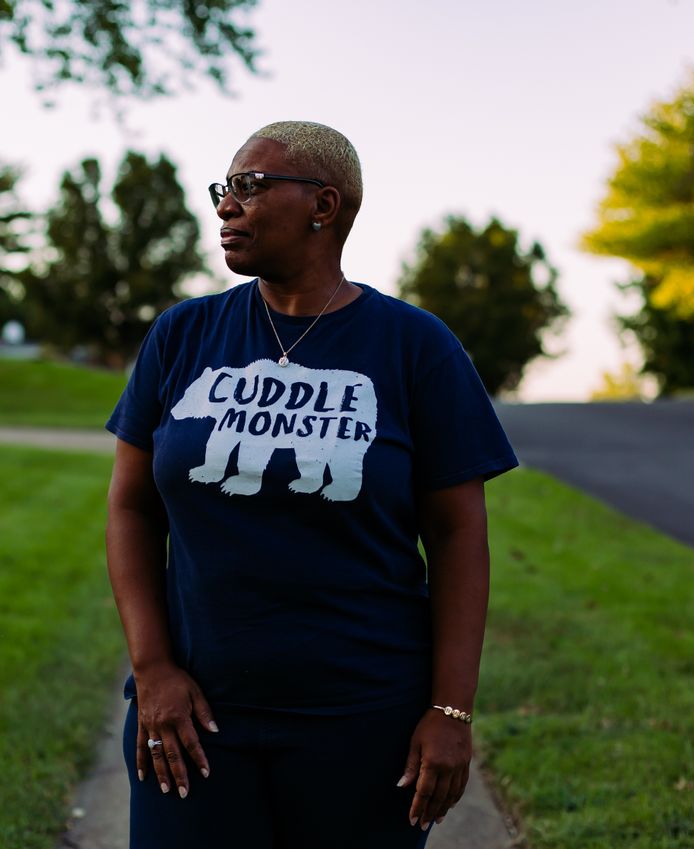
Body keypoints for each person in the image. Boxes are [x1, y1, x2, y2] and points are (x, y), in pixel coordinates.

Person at [105, 120, 518, 848]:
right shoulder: (182, 335)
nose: (226, 205)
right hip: (195, 717)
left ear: (324, 205)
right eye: (223, 189)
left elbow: (457, 535)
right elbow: (132, 508)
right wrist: (154, 667)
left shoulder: (416, 348)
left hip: (364, 724)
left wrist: (451, 710)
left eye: (250, 186)